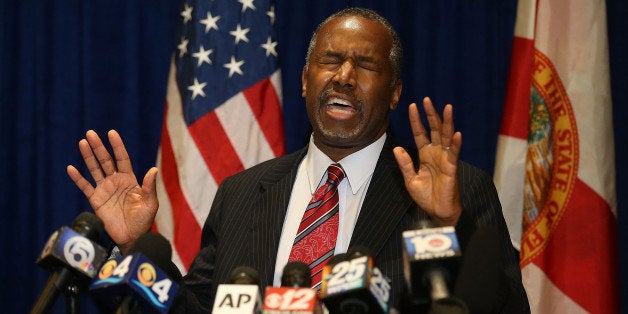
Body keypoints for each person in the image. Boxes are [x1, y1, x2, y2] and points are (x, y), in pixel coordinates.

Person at [67, 7, 529, 313]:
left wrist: (449, 223)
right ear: (306, 81)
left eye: (366, 66)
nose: (344, 77)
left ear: (394, 93)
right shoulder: (243, 193)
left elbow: (507, 305)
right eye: (330, 61)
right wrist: (133, 247)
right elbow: (194, 308)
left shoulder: (452, 193)